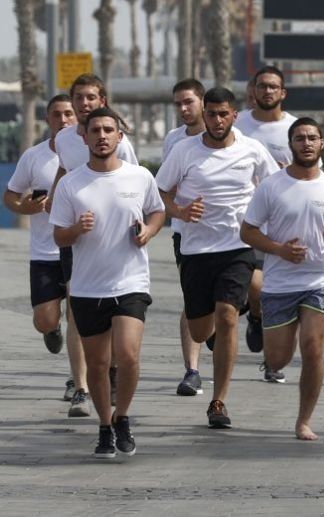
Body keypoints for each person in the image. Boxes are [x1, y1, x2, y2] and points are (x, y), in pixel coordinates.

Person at [155, 87, 277, 429]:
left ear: (234, 115)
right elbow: (159, 190)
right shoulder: (184, 150)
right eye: (212, 114)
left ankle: (218, 401)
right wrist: (179, 210)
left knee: (226, 317)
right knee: (200, 330)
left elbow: (273, 187)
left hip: (237, 247)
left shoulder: (252, 149)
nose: (218, 120)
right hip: (195, 250)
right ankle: (219, 333)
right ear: (204, 115)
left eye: (224, 113)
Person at [49, 107, 165, 458]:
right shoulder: (71, 183)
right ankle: (104, 424)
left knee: (127, 356)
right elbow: (59, 237)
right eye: (95, 130)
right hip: (87, 288)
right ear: (83, 137)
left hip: (130, 282)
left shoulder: (140, 176)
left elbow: (158, 211)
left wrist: (148, 230)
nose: (101, 136)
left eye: (108, 130)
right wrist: (76, 229)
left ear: (120, 136)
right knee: (98, 366)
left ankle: (123, 416)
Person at [240, 118, 324, 440]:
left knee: (312, 347)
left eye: (312, 138)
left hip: (321, 281)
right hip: (279, 285)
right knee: (278, 360)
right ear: (291, 144)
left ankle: (303, 421)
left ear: (322, 144)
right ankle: (257, 320)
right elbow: (247, 232)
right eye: (299, 138)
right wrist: (278, 249)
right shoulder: (272, 186)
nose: (306, 143)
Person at [49, 73, 140, 406]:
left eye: (91, 97)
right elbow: (65, 169)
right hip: (77, 239)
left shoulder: (120, 142)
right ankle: (81, 384)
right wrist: (56, 195)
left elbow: (135, 188)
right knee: (75, 308)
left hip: (116, 243)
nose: (84, 103)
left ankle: (111, 368)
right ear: (71, 102)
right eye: (79, 98)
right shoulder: (63, 139)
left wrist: (140, 230)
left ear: (102, 100)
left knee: (114, 314)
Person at [3, 94, 90, 417]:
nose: (64, 119)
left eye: (69, 113)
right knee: (46, 320)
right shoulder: (34, 157)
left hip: (77, 248)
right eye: (57, 114)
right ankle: (51, 331)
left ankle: (78, 382)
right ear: (48, 120)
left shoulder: (87, 152)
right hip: (43, 251)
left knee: (78, 318)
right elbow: (10, 195)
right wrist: (23, 207)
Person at [234, 65, 301, 382]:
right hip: (243, 223)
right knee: (257, 285)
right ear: (253, 91)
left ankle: (273, 362)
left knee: (276, 293)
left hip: (283, 224)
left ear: (282, 92)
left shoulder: (295, 128)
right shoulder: (239, 126)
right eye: (262, 86)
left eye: (274, 87)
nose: (267, 91)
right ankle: (256, 317)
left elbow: (313, 169)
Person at [163, 78, 208, 396]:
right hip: (186, 233)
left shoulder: (233, 139)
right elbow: (164, 187)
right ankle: (192, 371)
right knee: (192, 300)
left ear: (203, 102)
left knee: (224, 306)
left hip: (231, 239)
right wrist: (179, 212)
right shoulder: (174, 141)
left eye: (188, 102)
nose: (183, 109)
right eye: (178, 103)